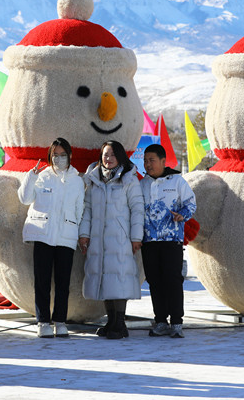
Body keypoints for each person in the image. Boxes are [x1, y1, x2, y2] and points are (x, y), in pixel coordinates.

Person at [18, 137, 85, 338]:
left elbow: (79, 210)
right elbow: (25, 199)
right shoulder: (41, 176)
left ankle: (60, 322)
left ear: (70, 155)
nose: (59, 159)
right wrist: (30, 177)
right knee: (42, 281)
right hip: (43, 234)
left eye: (63, 155)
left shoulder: (77, 180)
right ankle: (43, 322)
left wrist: (78, 232)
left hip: (66, 236)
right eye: (55, 155)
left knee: (63, 282)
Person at [78, 140, 144, 339]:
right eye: (105, 154)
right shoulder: (93, 178)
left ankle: (120, 323)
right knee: (104, 279)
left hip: (121, 238)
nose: (108, 158)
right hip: (98, 238)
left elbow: (137, 209)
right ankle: (111, 321)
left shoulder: (129, 179)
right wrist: (84, 235)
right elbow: (87, 209)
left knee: (119, 278)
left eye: (113, 155)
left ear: (120, 157)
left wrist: (136, 237)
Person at [140, 143, 196, 339]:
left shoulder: (177, 181)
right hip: (149, 241)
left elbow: (191, 203)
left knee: (172, 280)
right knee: (154, 281)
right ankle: (161, 321)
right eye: (145, 161)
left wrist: (182, 215)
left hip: (171, 240)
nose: (148, 164)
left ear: (163, 161)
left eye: (152, 160)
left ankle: (177, 322)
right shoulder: (142, 184)